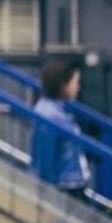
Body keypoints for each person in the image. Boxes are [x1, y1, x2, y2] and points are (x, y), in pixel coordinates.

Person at [31, 55, 91, 201]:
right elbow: (46, 158)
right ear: (63, 84)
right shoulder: (50, 114)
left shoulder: (60, 109)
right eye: (75, 82)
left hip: (71, 182)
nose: (78, 87)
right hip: (65, 186)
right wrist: (49, 194)